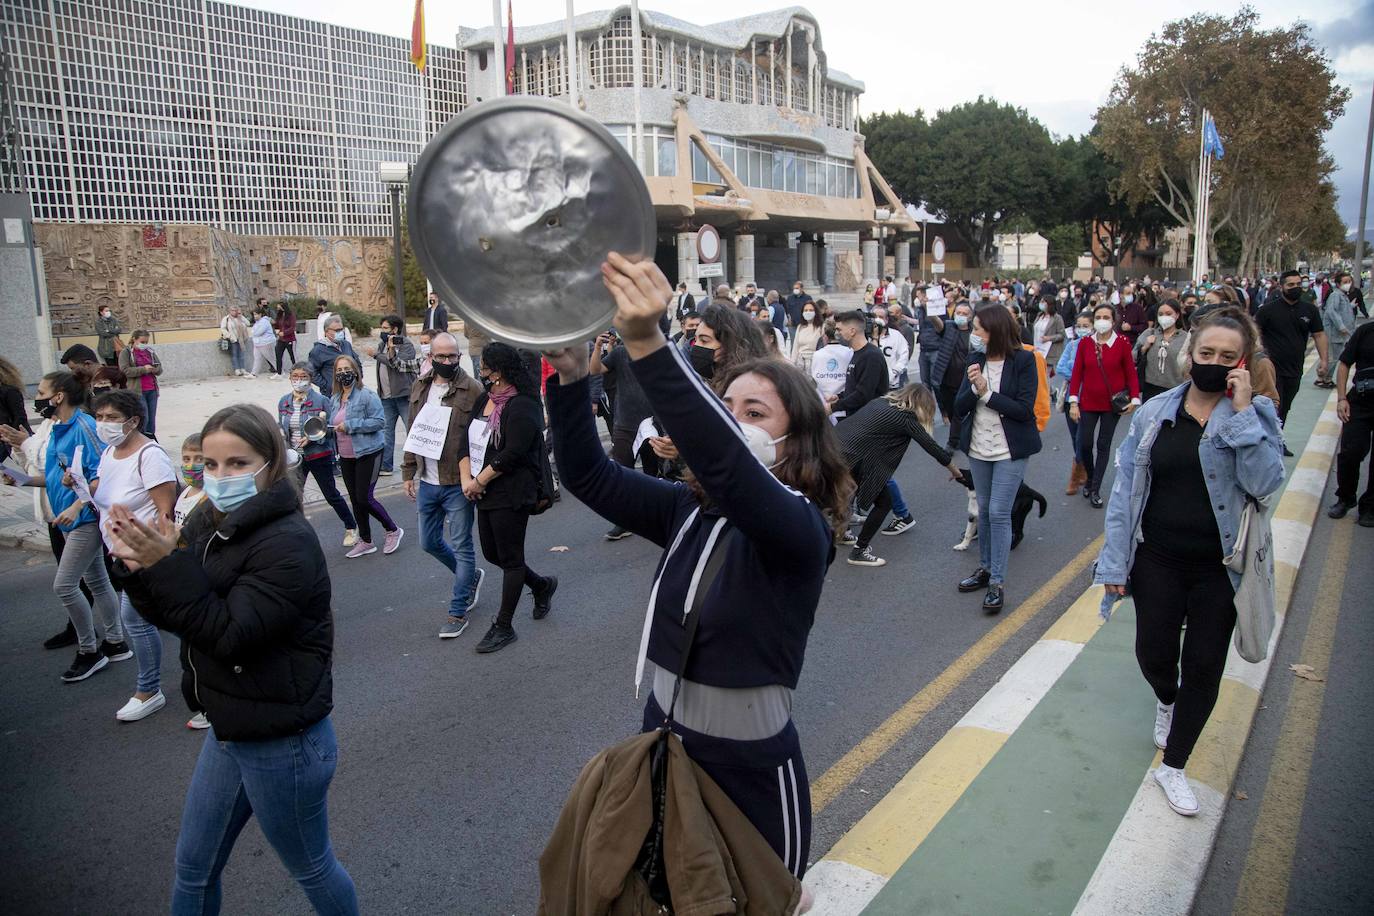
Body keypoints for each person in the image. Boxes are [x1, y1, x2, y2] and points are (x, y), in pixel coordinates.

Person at [545, 252, 853, 880]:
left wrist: (647, 340)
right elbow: (587, 474)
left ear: (797, 439)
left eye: (757, 413)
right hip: (662, 745)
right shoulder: (691, 511)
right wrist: (571, 376)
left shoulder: (799, 529)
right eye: (727, 406)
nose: (736, 423)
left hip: (751, 769)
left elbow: (730, 469)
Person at [107, 403, 358, 914]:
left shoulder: (287, 542)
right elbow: (183, 613)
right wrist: (141, 570)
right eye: (211, 464)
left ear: (271, 463)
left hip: (284, 741)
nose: (220, 475)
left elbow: (229, 634)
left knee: (311, 867)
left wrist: (165, 567)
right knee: (193, 870)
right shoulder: (211, 518)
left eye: (238, 463)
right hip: (231, 724)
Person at [1096, 314, 1284, 817]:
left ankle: (1173, 767)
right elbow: (1124, 494)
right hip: (1157, 559)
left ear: (1241, 363)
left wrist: (1243, 413)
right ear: (1190, 355)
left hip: (1221, 568)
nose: (1215, 365)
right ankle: (1165, 697)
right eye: (1207, 355)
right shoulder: (1155, 412)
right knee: (1154, 654)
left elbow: (1265, 483)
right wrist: (1115, 564)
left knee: (1204, 665)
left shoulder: (1257, 415)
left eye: (1228, 357)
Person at [2, 371, 127, 681]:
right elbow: (59, 476)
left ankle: (89, 651)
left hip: (84, 518)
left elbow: (103, 475)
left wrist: (77, 504)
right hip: (64, 519)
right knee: (97, 581)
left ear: (58, 396)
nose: (37, 396)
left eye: (42, 391)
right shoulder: (58, 428)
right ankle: (116, 642)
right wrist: (25, 479)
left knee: (64, 585)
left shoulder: (85, 427)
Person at [84, 389, 176, 722]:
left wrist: (156, 552)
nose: (103, 424)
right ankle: (222, 658)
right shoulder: (110, 452)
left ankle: (149, 690)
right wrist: (82, 487)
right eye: (100, 417)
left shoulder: (149, 456)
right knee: (170, 618)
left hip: (146, 556)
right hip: (120, 554)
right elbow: (104, 493)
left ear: (134, 421)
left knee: (137, 619)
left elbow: (167, 513)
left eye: (112, 418)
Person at [462, 342, 556, 654]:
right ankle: (541, 585)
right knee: (492, 554)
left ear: (499, 370)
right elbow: (467, 442)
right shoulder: (483, 399)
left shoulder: (524, 405)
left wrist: (480, 480)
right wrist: (468, 479)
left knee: (511, 559)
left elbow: (513, 453)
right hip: (483, 489)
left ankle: (503, 625)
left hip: (512, 490)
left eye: (486, 366)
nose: (482, 371)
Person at [953, 305, 1043, 612]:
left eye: (978, 329)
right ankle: (985, 568)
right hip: (979, 447)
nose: (974, 334)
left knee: (999, 512)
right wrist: (973, 388)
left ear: (995, 332)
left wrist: (987, 393)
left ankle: (997, 582)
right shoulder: (975, 360)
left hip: (1009, 449)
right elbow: (960, 406)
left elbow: (1023, 410)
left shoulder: (1024, 361)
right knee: (985, 511)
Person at [402, 332, 487, 638]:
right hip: (428, 480)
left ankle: (457, 611)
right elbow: (414, 430)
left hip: (457, 482)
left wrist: (476, 478)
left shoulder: (472, 389)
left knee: (463, 546)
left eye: (453, 356)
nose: (449, 361)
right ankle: (470, 579)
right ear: (431, 358)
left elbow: (482, 436)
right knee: (428, 542)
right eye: (442, 357)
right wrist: (408, 472)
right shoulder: (420, 387)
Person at [838, 384, 961, 566]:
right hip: (855, 456)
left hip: (836, 448)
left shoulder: (880, 402)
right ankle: (859, 551)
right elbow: (932, 447)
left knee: (849, 490)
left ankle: (841, 532)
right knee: (884, 502)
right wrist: (955, 470)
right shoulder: (906, 418)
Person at [329, 354, 402, 558]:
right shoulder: (334, 399)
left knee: (364, 497)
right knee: (355, 499)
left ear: (356, 371)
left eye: (347, 369)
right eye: (339, 370)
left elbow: (379, 422)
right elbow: (332, 425)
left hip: (368, 452)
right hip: (345, 455)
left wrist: (350, 426)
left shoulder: (366, 395)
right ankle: (366, 541)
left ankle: (392, 529)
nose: (344, 373)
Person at [279, 363, 359, 548]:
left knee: (330, 494)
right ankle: (293, 534)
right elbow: (282, 428)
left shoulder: (322, 401)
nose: (298, 381)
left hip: (318, 454)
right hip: (294, 457)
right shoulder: (284, 401)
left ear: (310, 378)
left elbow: (331, 429)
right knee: (292, 497)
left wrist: (312, 438)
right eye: (295, 376)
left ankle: (351, 526)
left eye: (303, 376)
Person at [1069, 304, 1141, 507]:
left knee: (1103, 444)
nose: (1102, 320)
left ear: (1113, 320)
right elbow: (1077, 374)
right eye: (1098, 316)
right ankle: (1090, 478)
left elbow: (1130, 373)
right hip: (1088, 402)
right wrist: (1073, 400)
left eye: (1106, 317)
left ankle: (1095, 488)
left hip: (1112, 404)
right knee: (1084, 444)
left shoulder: (1122, 342)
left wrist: (1135, 399)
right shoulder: (1085, 343)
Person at [593, 327, 660, 541]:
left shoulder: (658, 350)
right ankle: (623, 522)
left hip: (652, 422)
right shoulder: (620, 353)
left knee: (652, 472)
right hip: (624, 422)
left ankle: (656, 514)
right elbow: (594, 370)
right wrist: (597, 347)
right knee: (622, 473)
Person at [1256, 270, 1330, 434]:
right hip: (1271, 370)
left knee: (1285, 407)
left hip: (1295, 369)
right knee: (1273, 406)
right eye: (1291, 285)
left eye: (1298, 284)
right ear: (1282, 287)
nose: (1295, 287)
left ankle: (1279, 437)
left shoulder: (1310, 310)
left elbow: (1319, 335)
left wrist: (1324, 360)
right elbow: (1253, 334)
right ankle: (1269, 440)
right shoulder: (1267, 310)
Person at [1329, 317, 1374, 526]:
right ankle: (1345, 497)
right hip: (1360, 402)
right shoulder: (1365, 332)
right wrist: (1341, 398)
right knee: (1351, 452)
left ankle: (1370, 506)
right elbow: (1345, 363)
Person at [364, 314, 419, 476]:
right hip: (386, 397)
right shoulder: (382, 344)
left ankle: (418, 463)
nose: (383, 331)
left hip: (403, 395)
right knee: (386, 431)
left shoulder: (405, 344)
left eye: (386, 328)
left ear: (395, 329)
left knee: (412, 430)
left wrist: (376, 355)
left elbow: (396, 364)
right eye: (382, 328)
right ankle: (386, 465)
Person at [690, 303, 771, 388]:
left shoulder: (749, 388)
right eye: (695, 340)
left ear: (729, 345)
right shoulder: (706, 382)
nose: (696, 346)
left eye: (704, 340)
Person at [928, 302, 974, 449]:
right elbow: (937, 324)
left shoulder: (975, 333)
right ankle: (959, 437)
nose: (960, 316)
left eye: (964, 314)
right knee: (952, 410)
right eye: (958, 313)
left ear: (970, 316)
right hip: (946, 380)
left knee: (961, 410)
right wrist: (931, 311)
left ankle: (953, 442)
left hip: (966, 380)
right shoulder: (949, 327)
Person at [827, 310, 888, 420]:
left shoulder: (871, 356)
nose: (837, 334)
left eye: (839, 330)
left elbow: (863, 395)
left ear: (852, 331)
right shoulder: (857, 354)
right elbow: (855, 387)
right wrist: (839, 396)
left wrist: (833, 407)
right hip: (856, 418)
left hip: (868, 421)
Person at [1057, 313, 1094, 494]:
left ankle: (1074, 476)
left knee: (1082, 438)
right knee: (1074, 438)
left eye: (1085, 325)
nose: (1081, 329)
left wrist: (1079, 373)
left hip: (1088, 400)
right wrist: (1079, 372)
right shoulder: (1071, 345)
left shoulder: (1096, 346)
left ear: (1093, 326)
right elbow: (1061, 368)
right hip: (1069, 398)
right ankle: (1083, 469)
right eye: (1078, 325)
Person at [1134, 300, 1191, 401]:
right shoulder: (1149, 333)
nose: (1164, 317)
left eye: (1168, 314)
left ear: (1177, 315)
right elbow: (1133, 357)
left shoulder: (1185, 338)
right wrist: (1144, 348)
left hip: (1175, 388)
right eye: (1160, 314)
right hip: (1150, 386)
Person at [117, 330, 163, 437]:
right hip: (137, 391)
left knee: (151, 418)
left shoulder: (150, 351)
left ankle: (151, 437)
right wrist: (143, 369)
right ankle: (141, 438)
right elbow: (125, 370)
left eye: (146, 342)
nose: (144, 344)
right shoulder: (126, 352)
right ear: (134, 339)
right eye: (142, 341)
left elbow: (159, 368)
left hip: (152, 389)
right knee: (143, 417)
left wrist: (153, 369)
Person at [1318, 272, 1356, 389]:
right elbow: (1332, 311)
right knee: (1332, 358)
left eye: (1349, 282)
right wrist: (1341, 326)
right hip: (1335, 333)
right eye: (1345, 282)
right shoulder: (1336, 295)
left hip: (1341, 334)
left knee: (1334, 357)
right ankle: (1322, 378)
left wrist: (1351, 306)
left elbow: (1340, 310)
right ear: (1338, 284)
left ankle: (1325, 378)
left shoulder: (1342, 296)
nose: (1348, 284)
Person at [309, 316, 359, 396]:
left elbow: (356, 362)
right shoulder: (318, 350)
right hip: (332, 395)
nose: (340, 332)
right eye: (337, 330)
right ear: (326, 331)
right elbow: (311, 371)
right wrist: (326, 385)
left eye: (341, 329)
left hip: (352, 391)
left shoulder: (346, 345)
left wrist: (358, 379)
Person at [0, 356, 31, 465]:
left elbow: (20, 417)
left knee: (17, 475)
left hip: (10, 441)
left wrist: (12, 436)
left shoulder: (9, 391)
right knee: (10, 476)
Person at [872, 311, 910, 389]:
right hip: (872, 384)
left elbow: (904, 356)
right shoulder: (865, 336)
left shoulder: (896, 336)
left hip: (891, 383)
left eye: (881, 317)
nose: (877, 319)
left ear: (887, 319)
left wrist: (894, 372)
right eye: (875, 317)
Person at [789, 300, 824, 373]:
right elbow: (795, 347)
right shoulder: (800, 327)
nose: (808, 312)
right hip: (800, 363)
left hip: (815, 363)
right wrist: (792, 364)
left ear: (815, 312)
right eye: (806, 310)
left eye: (811, 310)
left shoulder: (821, 327)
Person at [220, 305, 252, 377]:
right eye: (232, 310)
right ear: (229, 311)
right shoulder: (226, 319)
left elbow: (248, 323)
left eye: (235, 310)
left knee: (242, 354)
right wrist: (229, 336)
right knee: (234, 354)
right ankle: (237, 369)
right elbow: (223, 328)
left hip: (242, 339)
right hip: (233, 339)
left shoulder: (240, 318)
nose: (234, 312)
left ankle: (243, 369)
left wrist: (241, 316)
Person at [249, 304, 280, 378]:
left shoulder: (265, 322)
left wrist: (254, 332)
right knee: (257, 358)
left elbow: (258, 332)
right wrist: (254, 332)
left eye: (256, 314)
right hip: (258, 344)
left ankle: (280, 372)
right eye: (254, 315)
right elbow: (253, 331)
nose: (255, 316)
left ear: (261, 314)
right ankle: (254, 373)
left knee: (272, 358)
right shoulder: (257, 323)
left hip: (266, 343)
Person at [273, 302, 298, 375]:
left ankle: (297, 370)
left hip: (290, 339)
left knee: (293, 356)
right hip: (281, 339)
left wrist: (284, 332)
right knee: (278, 355)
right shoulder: (280, 316)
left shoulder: (290, 315)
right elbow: (277, 325)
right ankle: (279, 373)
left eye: (279, 307)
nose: (278, 309)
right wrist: (276, 329)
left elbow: (292, 327)